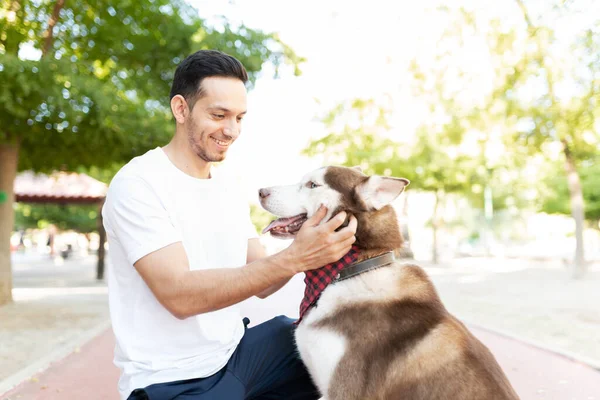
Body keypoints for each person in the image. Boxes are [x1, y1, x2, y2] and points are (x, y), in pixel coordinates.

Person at [102, 49, 357, 400]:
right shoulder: (138, 184)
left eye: (239, 117)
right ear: (181, 109)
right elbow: (179, 296)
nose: (232, 130)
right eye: (219, 115)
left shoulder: (225, 186)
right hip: (172, 381)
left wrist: (312, 242)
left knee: (344, 349)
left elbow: (262, 279)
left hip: (237, 355)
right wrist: (297, 258)